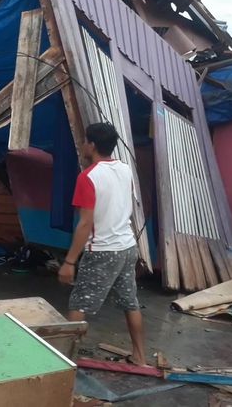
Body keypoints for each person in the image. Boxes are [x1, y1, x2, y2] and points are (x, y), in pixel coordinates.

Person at [58, 122, 146, 366]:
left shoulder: (88, 177)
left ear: (92, 145)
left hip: (102, 250)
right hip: (127, 247)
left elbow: (85, 224)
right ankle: (140, 357)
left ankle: (67, 360)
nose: (83, 144)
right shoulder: (126, 170)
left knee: (78, 303)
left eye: (85, 140)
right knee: (131, 302)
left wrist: (69, 262)